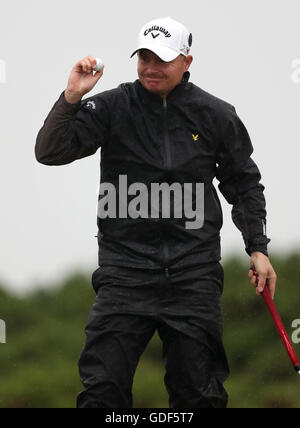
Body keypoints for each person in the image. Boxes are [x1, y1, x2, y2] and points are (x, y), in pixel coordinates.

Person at [35, 17, 277, 408]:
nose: (151, 67)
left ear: (186, 60)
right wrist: (71, 97)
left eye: (162, 59)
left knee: (199, 395)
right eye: (144, 57)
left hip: (194, 275)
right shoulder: (112, 106)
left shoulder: (216, 114)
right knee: (102, 393)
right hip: (124, 274)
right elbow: (50, 152)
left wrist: (259, 247)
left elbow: (244, 185)